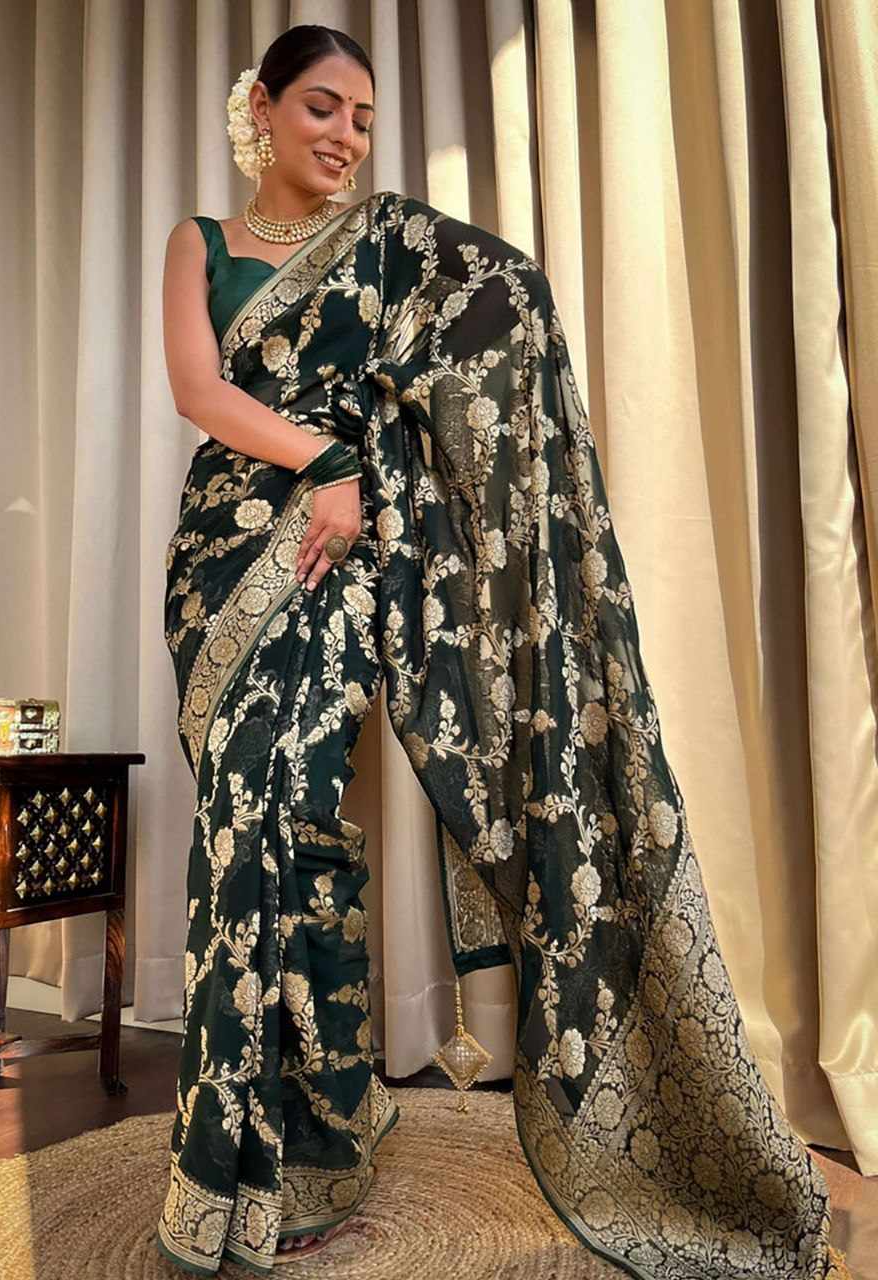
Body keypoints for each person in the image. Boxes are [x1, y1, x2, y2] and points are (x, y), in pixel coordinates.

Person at [155, 22, 851, 1280]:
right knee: (236, 823)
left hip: (340, 560)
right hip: (224, 556)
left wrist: (385, 472)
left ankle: (314, 1143)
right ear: (262, 106)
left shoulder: (385, 247)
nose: (346, 136)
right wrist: (327, 459)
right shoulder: (199, 242)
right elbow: (200, 392)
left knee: (298, 821)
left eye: (364, 118)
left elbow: (505, 296)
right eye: (323, 106)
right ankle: (233, 1162)